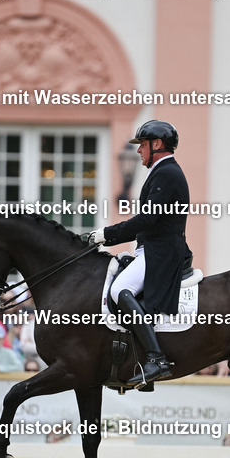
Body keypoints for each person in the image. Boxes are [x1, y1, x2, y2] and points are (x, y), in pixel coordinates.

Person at [84, 120, 192, 387]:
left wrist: (106, 234)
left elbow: (147, 220)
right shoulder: (161, 172)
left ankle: (157, 358)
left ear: (157, 145)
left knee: (119, 290)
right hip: (153, 249)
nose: (139, 151)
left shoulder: (166, 173)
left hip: (161, 252)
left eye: (143, 145)